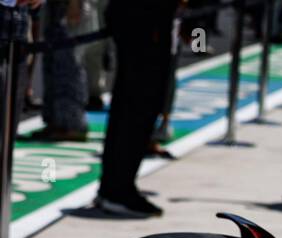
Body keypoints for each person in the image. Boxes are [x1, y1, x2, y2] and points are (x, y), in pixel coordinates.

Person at [96, 0, 179, 217]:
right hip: (144, 21)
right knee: (137, 108)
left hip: (145, 20)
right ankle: (117, 189)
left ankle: (117, 186)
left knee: (135, 106)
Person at [34, 0, 87, 142]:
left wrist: (75, 3)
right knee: (53, 65)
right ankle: (56, 121)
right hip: (54, 9)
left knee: (68, 67)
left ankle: (71, 124)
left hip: (67, 8)